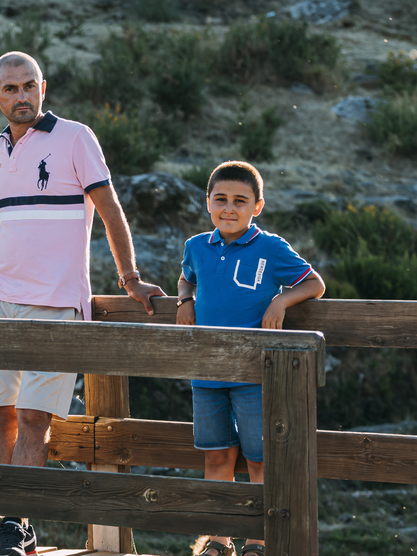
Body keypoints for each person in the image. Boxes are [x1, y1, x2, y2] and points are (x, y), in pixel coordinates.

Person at [0, 51, 166, 556]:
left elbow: (110, 209)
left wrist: (130, 278)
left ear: (43, 88)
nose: (21, 96)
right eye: (10, 89)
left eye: (28, 86)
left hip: (56, 303)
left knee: (36, 419)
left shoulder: (76, 136)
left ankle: (15, 523)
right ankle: (12, 528)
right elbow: (0, 223)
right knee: (5, 418)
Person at [176, 161, 325, 556]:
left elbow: (314, 283)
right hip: (206, 372)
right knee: (217, 457)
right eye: (220, 200)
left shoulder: (271, 248)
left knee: (260, 460)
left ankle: (257, 542)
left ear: (257, 206)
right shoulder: (196, 246)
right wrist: (185, 299)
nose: (229, 208)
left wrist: (282, 298)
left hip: (255, 374)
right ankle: (218, 541)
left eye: (240, 201)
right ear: (208, 203)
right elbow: (187, 276)